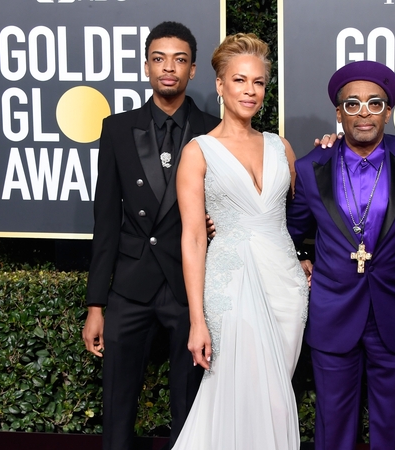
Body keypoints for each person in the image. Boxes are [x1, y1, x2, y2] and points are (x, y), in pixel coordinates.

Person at [81, 21, 221, 450]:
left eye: (179, 60)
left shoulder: (215, 130)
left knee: (190, 406)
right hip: (130, 285)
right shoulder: (117, 128)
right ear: (146, 66)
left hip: (188, 288)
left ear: (193, 69)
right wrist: (96, 303)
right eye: (159, 58)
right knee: (118, 406)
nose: (168, 68)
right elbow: (105, 220)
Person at [286, 60, 395, 450]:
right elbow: (289, 230)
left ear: (388, 111)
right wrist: (299, 259)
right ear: (338, 113)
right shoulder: (311, 166)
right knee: (333, 428)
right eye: (352, 104)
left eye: (374, 103)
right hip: (333, 313)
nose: (363, 113)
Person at [172, 33, 309, 450]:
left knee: (274, 401)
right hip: (230, 284)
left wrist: (304, 258)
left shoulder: (280, 147)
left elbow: (303, 215)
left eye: (259, 82)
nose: (250, 91)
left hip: (285, 285)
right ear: (219, 84)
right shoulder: (199, 152)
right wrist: (197, 319)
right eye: (240, 81)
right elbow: (194, 238)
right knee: (242, 392)